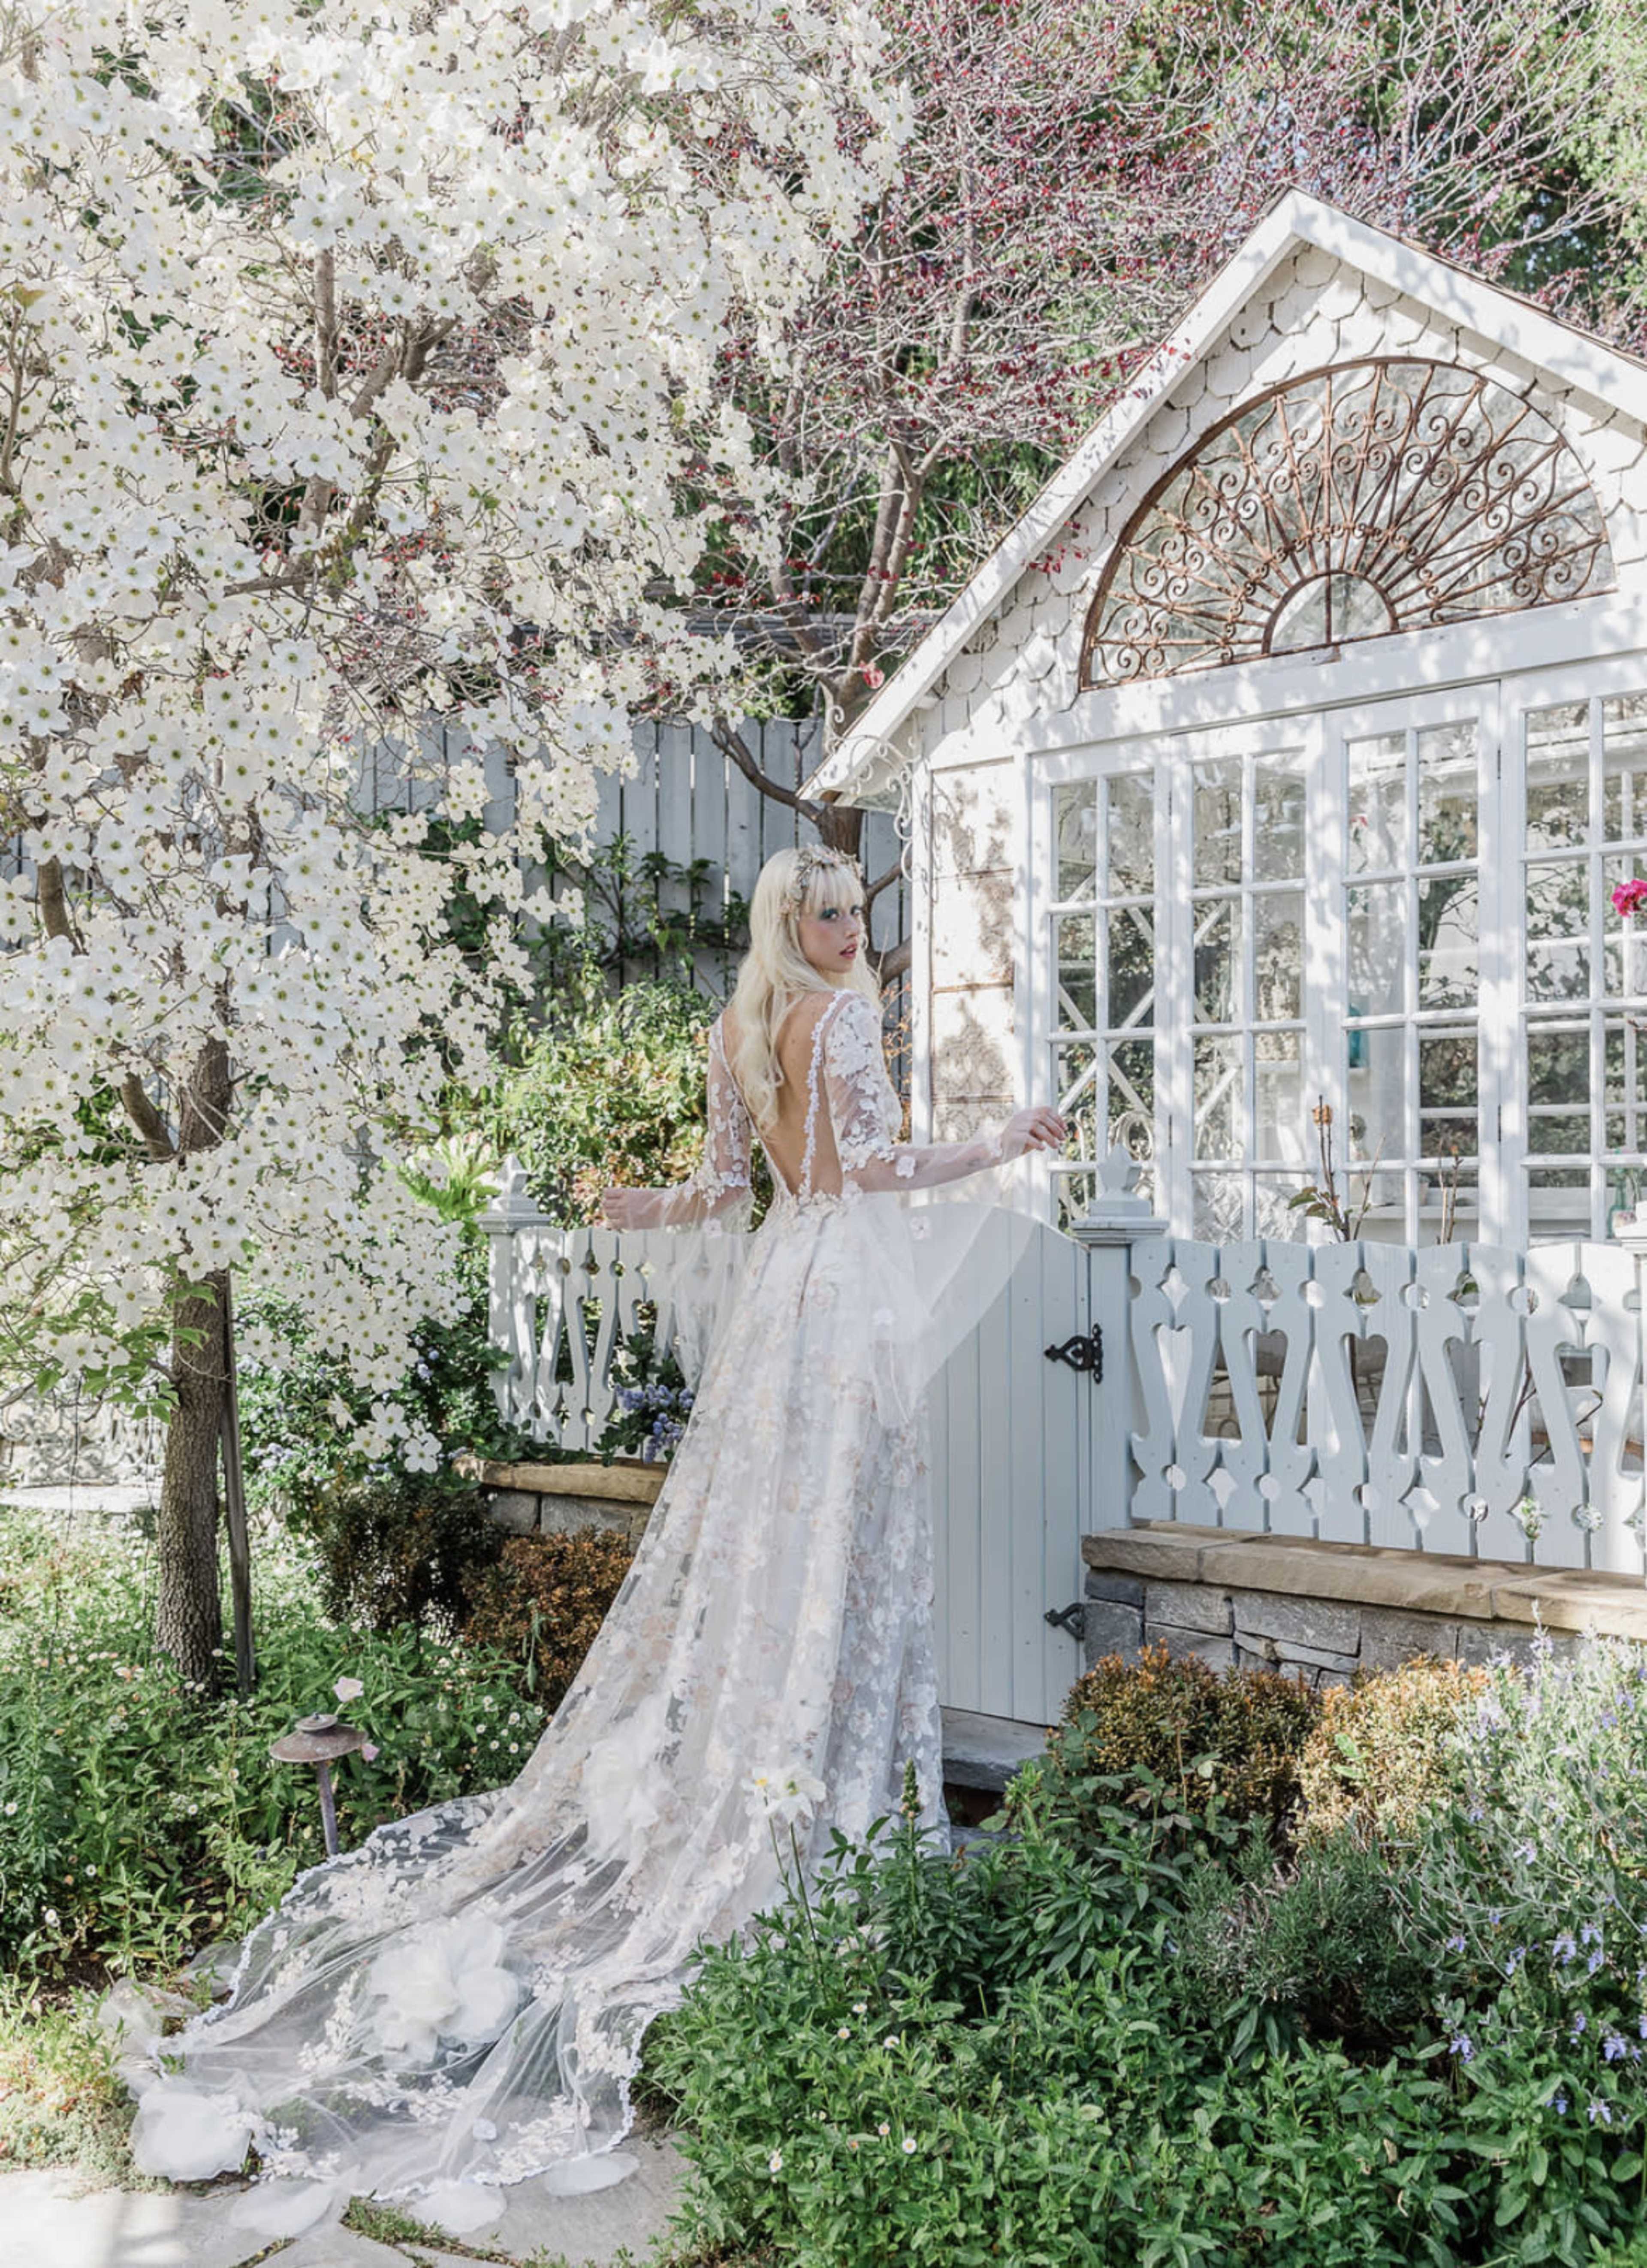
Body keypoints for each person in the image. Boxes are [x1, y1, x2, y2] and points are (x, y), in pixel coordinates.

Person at [129, 843, 1066, 2239]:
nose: (850, 929)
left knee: (771, 1554)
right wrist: (998, 1143)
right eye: (831, 912)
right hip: (847, 1302)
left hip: (779, 1299)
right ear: (790, 923)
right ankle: (828, 1815)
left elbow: (717, 1188)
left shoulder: (738, 1026)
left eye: (858, 910)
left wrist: (636, 1207)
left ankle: (773, 1787)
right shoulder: (842, 1013)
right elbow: (875, 1166)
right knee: (850, 1559)